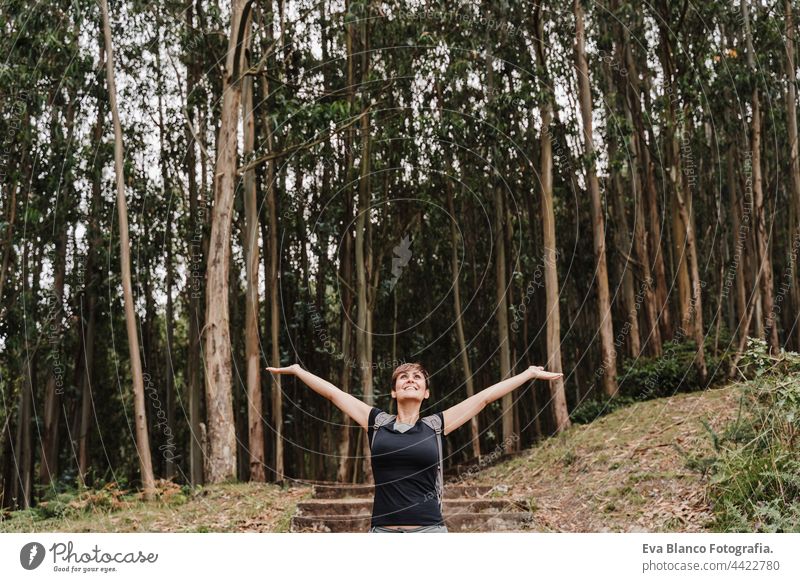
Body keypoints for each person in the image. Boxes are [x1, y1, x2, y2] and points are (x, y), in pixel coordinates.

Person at [266, 361, 563, 533]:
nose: (410, 380)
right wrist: (298, 371)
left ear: (426, 392)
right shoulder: (376, 422)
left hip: (430, 532)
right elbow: (334, 394)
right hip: (382, 532)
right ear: (394, 392)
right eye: (403, 378)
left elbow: (484, 398)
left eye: (417, 377)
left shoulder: (436, 425)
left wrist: (527, 375)